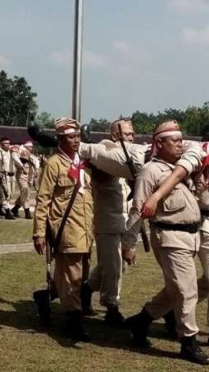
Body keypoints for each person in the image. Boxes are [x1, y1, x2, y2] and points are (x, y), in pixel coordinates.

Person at [138, 132, 209, 354]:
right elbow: (179, 175)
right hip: (204, 224)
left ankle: (147, 317)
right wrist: (156, 197)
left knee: (198, 284)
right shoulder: (198, 153)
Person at [124, 120, 209, 366]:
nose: (180, 145)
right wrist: (128, 244)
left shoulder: (180, 170)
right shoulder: (151, 171)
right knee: (186, 290)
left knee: (176, 288)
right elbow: (137, 209)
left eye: (181, 140)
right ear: (159, 144)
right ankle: (188, 342)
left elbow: (201, 198)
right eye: (174, 141)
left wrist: (198, 176)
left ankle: (141, 321)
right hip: (170, 237)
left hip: (191, 236)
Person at [33, 117, 94, 341]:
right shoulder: (54, 164)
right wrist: (39, 232)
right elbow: (43, 200)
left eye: (78, 136)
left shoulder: (85, 163)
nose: (76, 141)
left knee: (80, 274)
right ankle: (73, 320)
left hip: (86, 227)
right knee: (73, 275)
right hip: (66, 227)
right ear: (60, 138)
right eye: (71, 137)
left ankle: (46, 296)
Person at [80, 119, 136, 328]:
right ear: (114, 136)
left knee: (112, 266)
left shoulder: (132, 157)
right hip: (106, 219)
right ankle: (111, 307)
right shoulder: (101, 152)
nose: (130, 138)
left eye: (132, 135)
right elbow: (100, 177)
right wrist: (118, 162)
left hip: (125, 218)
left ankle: (86, 289)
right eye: (126, 134)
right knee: (114, 267)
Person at [0, 137, 21, 219]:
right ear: (1, 144)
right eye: (5, 143)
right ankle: (8, 212)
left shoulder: (12, 152)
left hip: (12, 176)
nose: (7, 145)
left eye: (8, 143)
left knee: (11, 194)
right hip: (4, 175)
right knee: (5, 194)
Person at [11, 147, 35, 219]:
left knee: (25, 193)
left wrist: (33, 179)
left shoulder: (32, 158)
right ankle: (27, 212)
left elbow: (34, 168)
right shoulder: (17, 156)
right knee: (25, 190)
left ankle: (15, 209)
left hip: (29, 178)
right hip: (21, 176)